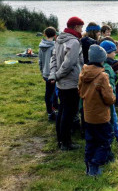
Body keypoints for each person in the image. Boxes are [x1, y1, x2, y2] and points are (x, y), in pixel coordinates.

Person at [79, 45, 116, 176]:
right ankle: (95, 164)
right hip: (101, 116)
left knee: (90, 141)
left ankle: (88, 164)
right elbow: (108, 98)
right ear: (101, 60)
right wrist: (113, 97)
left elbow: (80, 91)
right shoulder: (103, 76)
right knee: (105, 141)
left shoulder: (83, 72)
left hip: (88, 115)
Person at [49, 16, 84, 150]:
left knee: (62, 110)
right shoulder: (74, 42)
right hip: (71, 82)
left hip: (61, 82)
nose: (82, 29)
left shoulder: (59, 39)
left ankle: (61, 139)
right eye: (81, 26)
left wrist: (54, 74)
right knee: (68, 113)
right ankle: (66, 143)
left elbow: (53, 59)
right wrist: (56, 75)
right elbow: (69, 64)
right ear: (75, 27)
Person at [100, 40, 118, 145]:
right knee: (113, 120)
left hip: (104, 99)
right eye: (113, 52)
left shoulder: (105, 64)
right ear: (107, 53)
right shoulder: (107, 68)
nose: (115, 53)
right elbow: (108, 86)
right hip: (108, 98)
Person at [38, 27, 58, 121]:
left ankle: (53, 108)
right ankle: (50, 112)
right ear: (55, 35)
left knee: (50, 92)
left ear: (45, 34)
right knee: (50, 93)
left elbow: (40, 61)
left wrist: (42, 72)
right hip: (52, 74)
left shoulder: (41, 46)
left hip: (45, 73)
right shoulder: (54, 47)